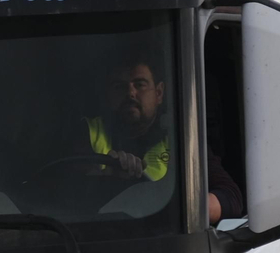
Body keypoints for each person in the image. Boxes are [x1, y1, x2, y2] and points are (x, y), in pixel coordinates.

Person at [84, 59, 244, 225]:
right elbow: (71, 198)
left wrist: (171, 209)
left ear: (159, 93)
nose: (130, 93)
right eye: (119, 86)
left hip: (167, 237)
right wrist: (106, 180)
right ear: (108, 94)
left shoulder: (182, 138)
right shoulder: (87, 132)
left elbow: (230, 199)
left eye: (140, 84)